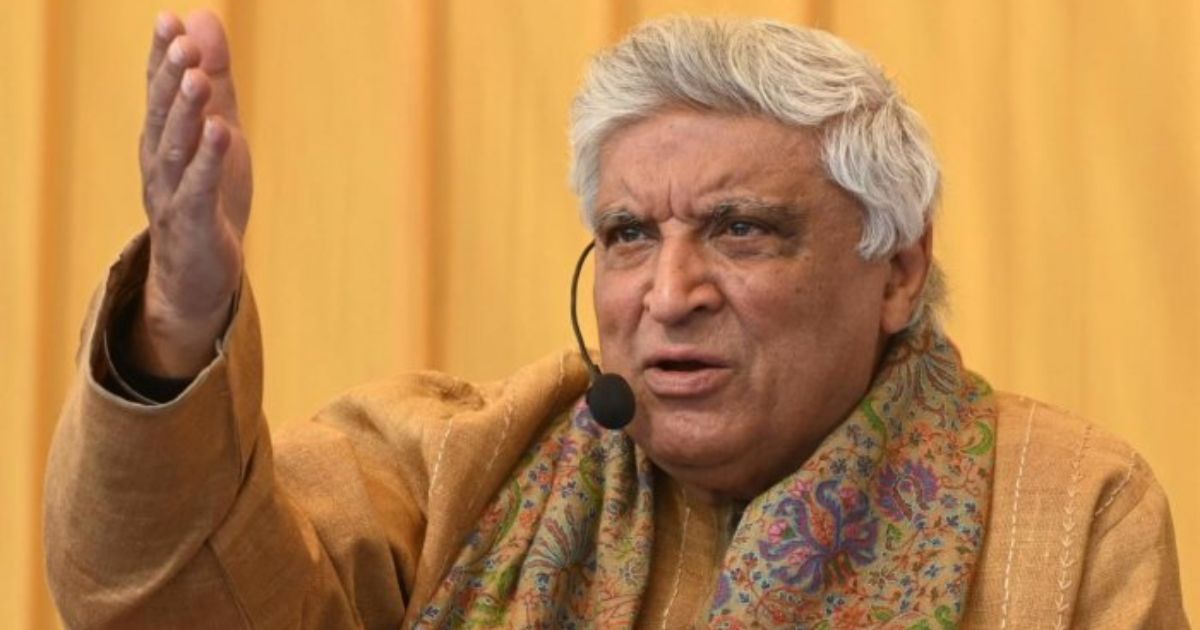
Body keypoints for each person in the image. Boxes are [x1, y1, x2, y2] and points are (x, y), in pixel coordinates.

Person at [43, 10, 1188, 629]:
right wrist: (181, 315)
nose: (669, 293)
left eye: (741, 230)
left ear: (897, 270)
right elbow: (164, 601)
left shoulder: (1070, 513)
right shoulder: (458, 466)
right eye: (631, 234)